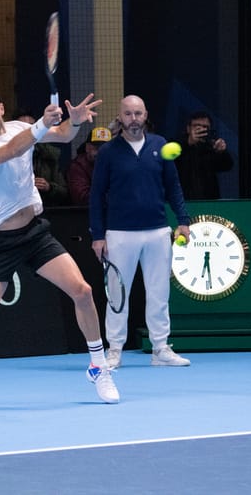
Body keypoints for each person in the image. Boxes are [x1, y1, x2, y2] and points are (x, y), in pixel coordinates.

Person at [0, 87, 119, 409]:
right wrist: (40, 125)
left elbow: (60, 136)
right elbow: (14, 150)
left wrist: (73, 123)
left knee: (83, 291)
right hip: (0, 243)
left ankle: (99, 368)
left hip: (35, 234)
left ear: (1, 108)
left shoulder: (19, 127)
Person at [90, 95, 191, 370]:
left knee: (159, 292)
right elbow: (96, 195)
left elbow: (174, 187)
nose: (133, 119)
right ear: (120, 117)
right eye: (128, 114)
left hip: (158, 232)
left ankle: (161, 348)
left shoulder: (160, 146)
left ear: (145, 115)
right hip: (119, 235)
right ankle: (114, 350)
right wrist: (98, 235)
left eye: (138, 113)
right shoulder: (108, 152)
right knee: (117, 294)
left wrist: (183, 220)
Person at [173, 111, 234, 199]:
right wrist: (189, 143)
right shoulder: (177, 144)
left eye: (205, 127)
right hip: (182, 202)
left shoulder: (211, 147)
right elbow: (169, 163)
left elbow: (227, 166)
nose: (201, 129)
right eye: (196, 126)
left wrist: (222, 152)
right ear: (188, 129)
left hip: (208, 202)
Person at [67, 126, 110, 205]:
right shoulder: (77, 166)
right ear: (87, 148)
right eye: (97, 148)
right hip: (85, 214)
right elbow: (81, 197)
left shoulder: (114, 164)